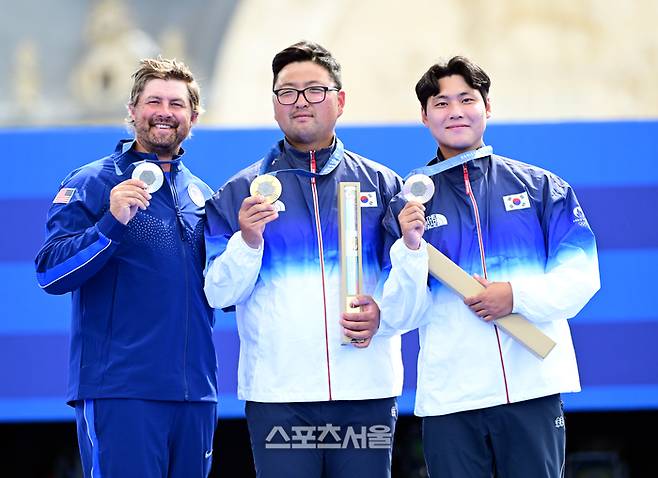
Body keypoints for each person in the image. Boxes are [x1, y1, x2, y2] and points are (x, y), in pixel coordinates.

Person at [380, 56, 600, 477]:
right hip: (451, 398)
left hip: (532, 388)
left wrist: (514, 296)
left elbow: (582, 277)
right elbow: (399, 314)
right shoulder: (406, 205)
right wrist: (409, 248)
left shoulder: (541, 189)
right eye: (441, 103)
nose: (456, 111)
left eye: (467, 99)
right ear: (424, 116)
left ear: (487, 107)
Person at [203, 41, 403, 478]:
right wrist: (248, 240)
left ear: (340, 100)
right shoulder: (240, 191)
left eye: (314, 90)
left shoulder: (385, 185)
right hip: (280, 396)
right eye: (287, 92)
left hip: (365, 390)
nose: (300, 102)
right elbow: (217, 293)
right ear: (274, 105)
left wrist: (383, 315)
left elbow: (410, 281)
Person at [35, 57, 218, 478]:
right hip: (121, 390)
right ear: (132, 110)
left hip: (196, 394)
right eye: (154, 101)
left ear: (193, 116)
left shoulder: (202, 195)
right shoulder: (92, 182)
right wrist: (110, 223)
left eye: (177, 103)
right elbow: (50, 273)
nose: (165, 112)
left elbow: (222, 291)